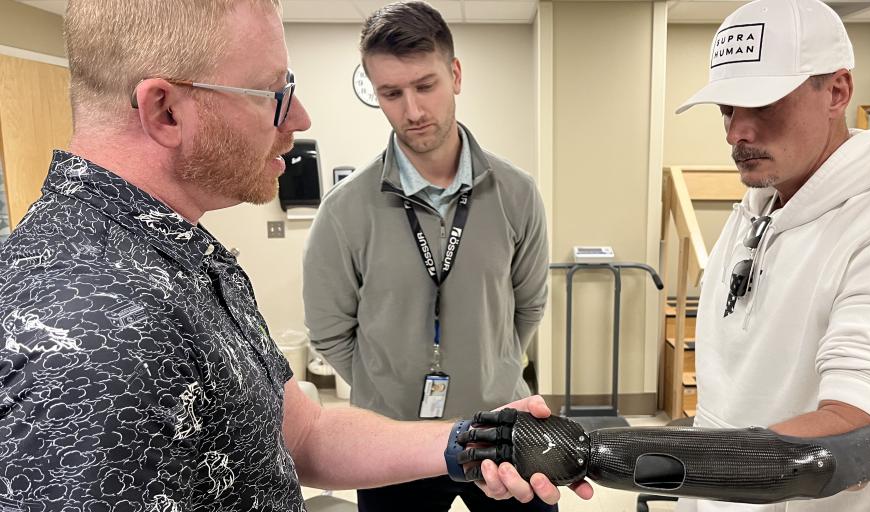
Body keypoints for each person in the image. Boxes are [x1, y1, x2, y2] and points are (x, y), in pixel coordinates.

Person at [0, 1, 591, 510]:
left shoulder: (178, 251)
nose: (301, 118)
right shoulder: (86, 332)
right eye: (274, 93)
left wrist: (470, 438)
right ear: (165, 110)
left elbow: (301, 434)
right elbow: (332, 333)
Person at [669, 0, 870, 510]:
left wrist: (604, 456)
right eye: (728, 109)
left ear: (837, 91)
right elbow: (728, 406)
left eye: (762, 104)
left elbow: (850, 440)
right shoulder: (755, 211)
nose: (736, 133)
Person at [302, 2, 551, 511]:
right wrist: (386, 386)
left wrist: (491, 366)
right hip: (390, 438)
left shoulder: (517, 194)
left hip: (499, 427)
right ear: (375, 92)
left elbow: (528, 306)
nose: (412, 110)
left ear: (455, 75)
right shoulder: (345, 209)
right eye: (391, 93)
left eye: (425, 85)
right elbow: (329, 330)